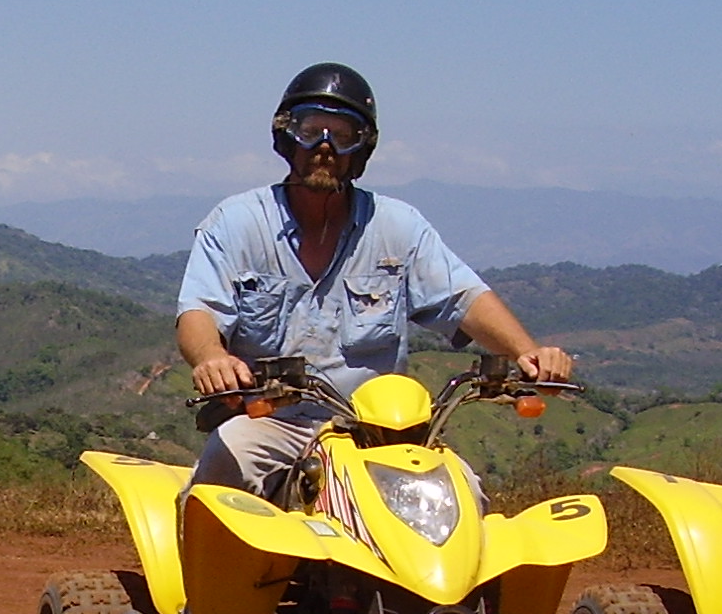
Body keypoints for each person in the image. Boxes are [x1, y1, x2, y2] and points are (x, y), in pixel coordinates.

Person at [177, 62, 573, 499]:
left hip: (378, 431)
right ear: (286, 137)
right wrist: (211, 358)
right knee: (227, 463)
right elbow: (199, 311)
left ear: (362, 148)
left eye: (342, 135)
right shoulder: (236, 223)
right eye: (310, 130)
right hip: (271, 420)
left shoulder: (397, 227)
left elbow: (463, 299)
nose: (324, 147)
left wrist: (528, 353)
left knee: (461, 495)